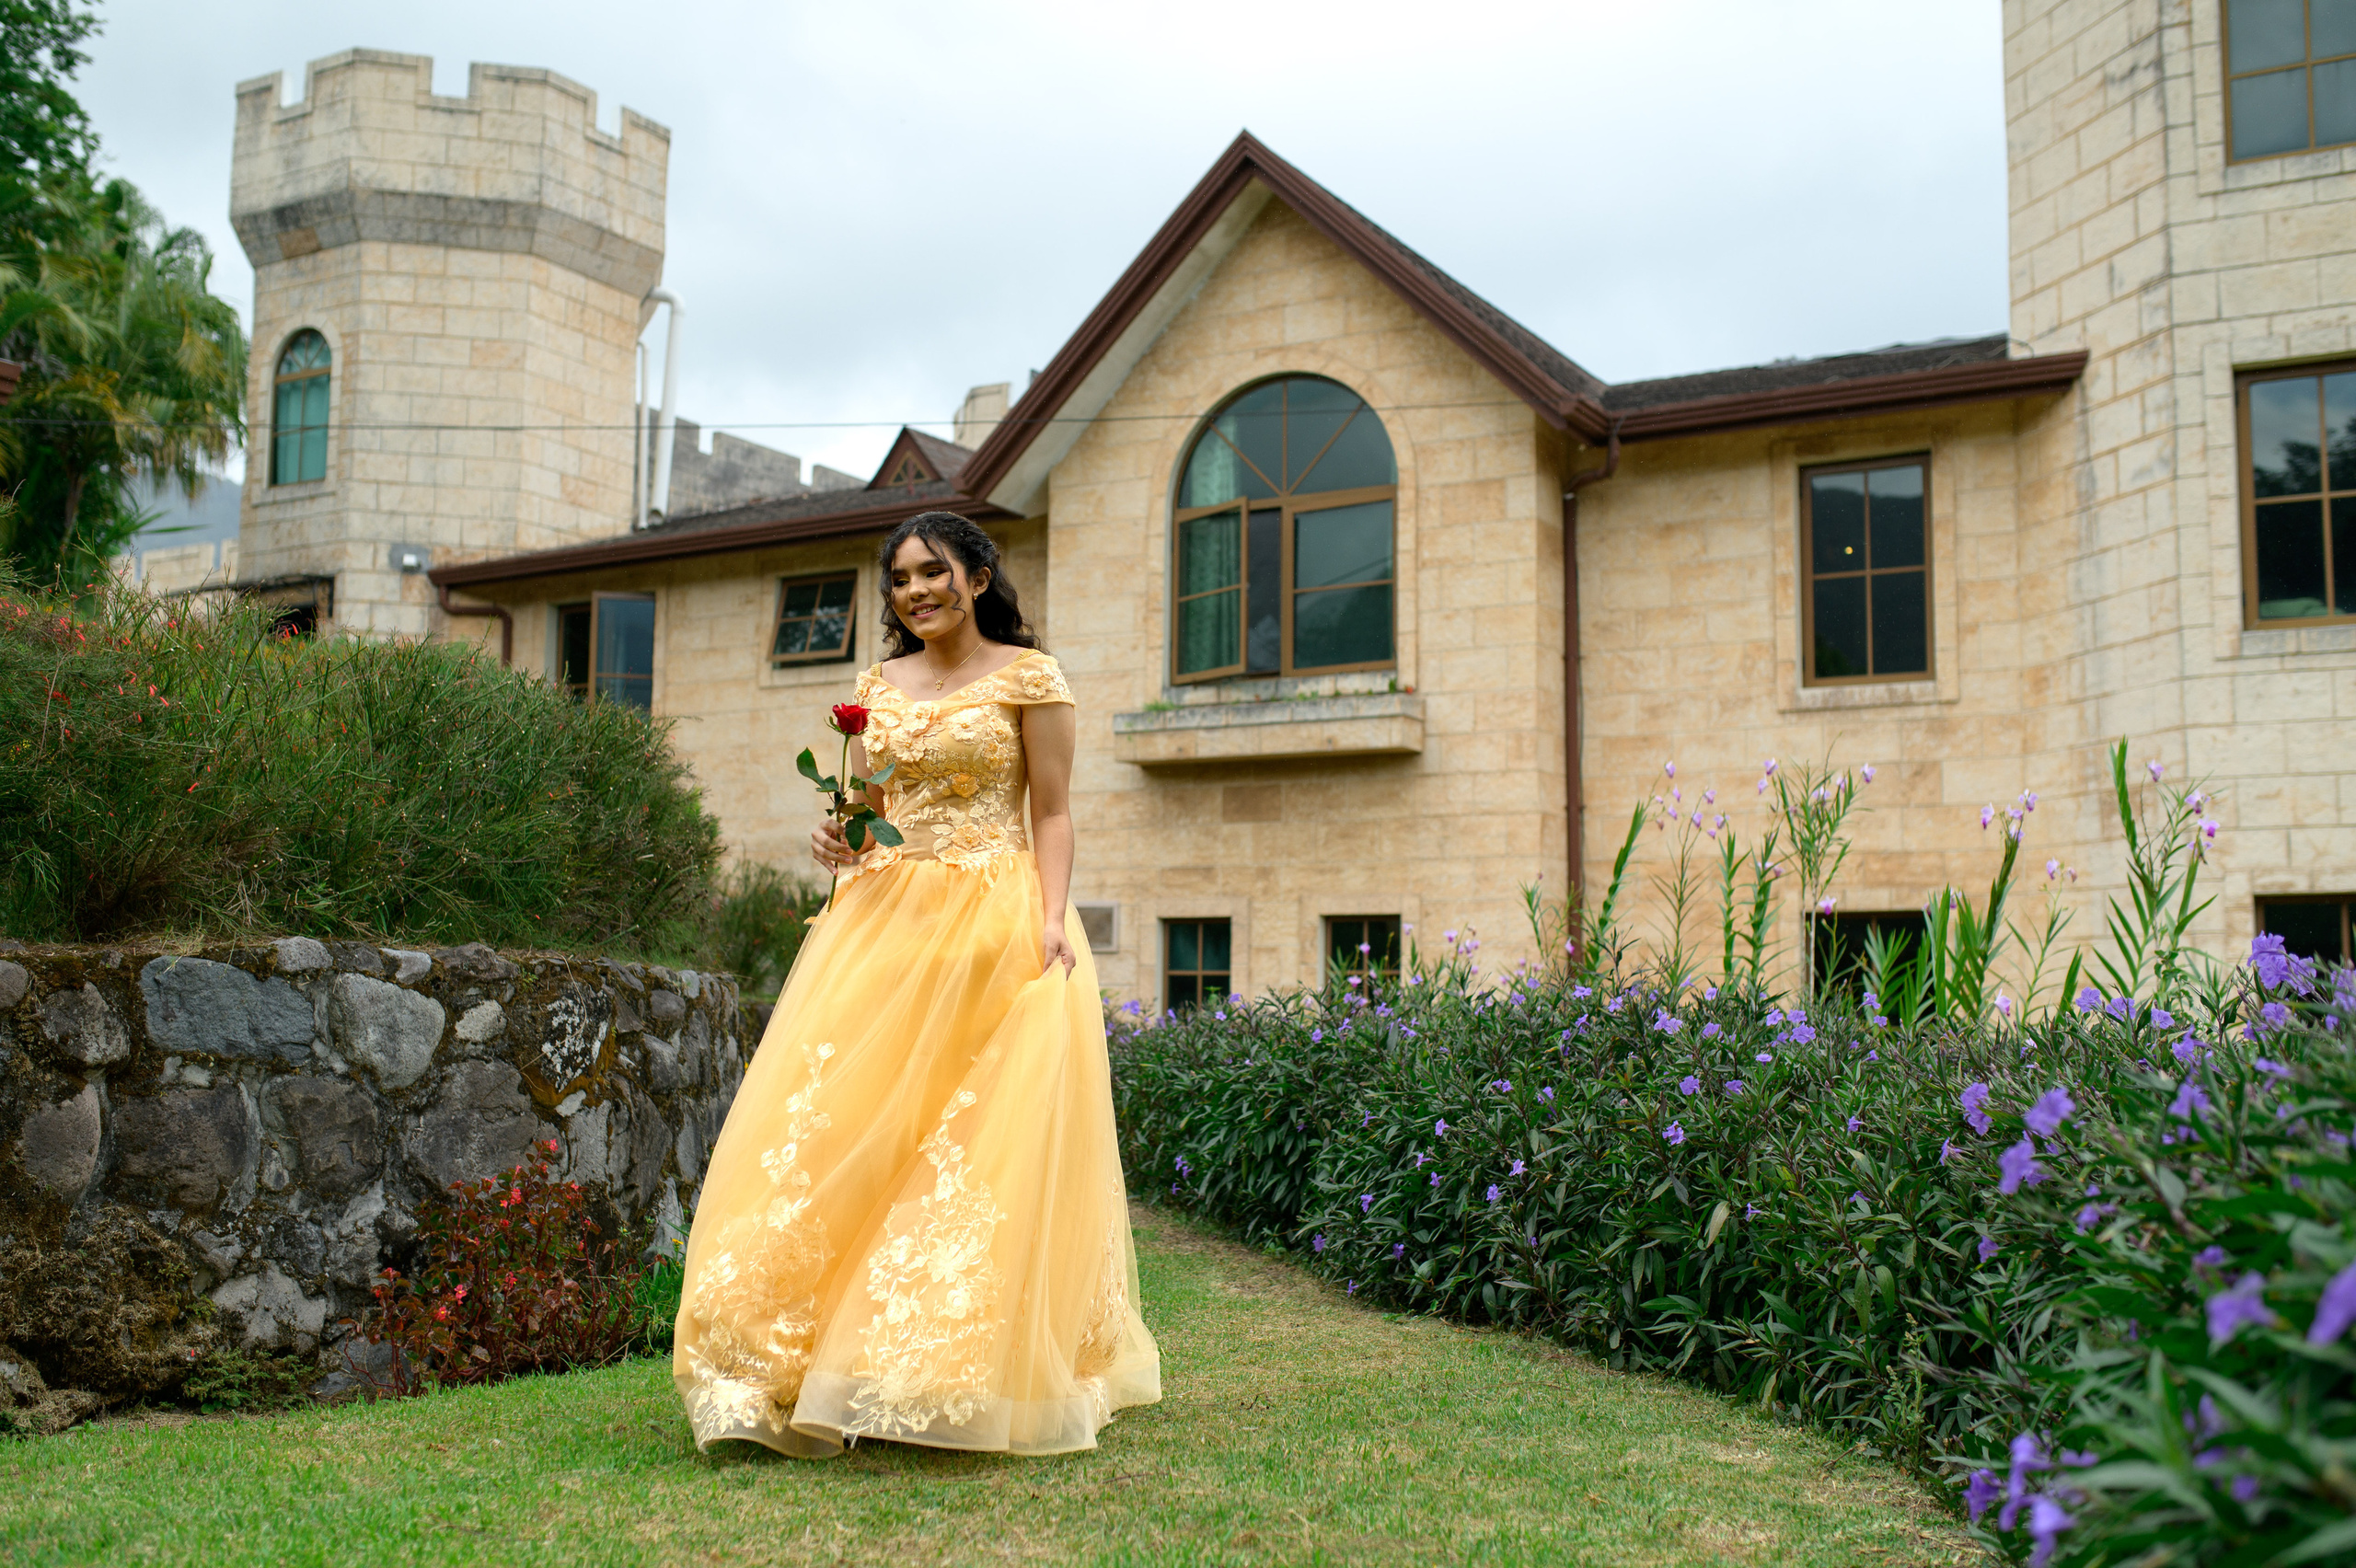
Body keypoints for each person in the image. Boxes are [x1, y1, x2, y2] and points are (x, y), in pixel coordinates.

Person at [672, 510, 1161, 1458]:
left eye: (933, 572)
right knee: (852, 1125)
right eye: (899, 580)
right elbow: (864, 818)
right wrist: (835, 841)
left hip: (996, 920)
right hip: (881, 926)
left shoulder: (1029, 677)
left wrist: (1052, 919)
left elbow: (1053, 813)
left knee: (975, 1140)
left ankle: (934, 1365)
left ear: (977, 578)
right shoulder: (874, 688)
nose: (915, 592)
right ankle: (785, 1355)